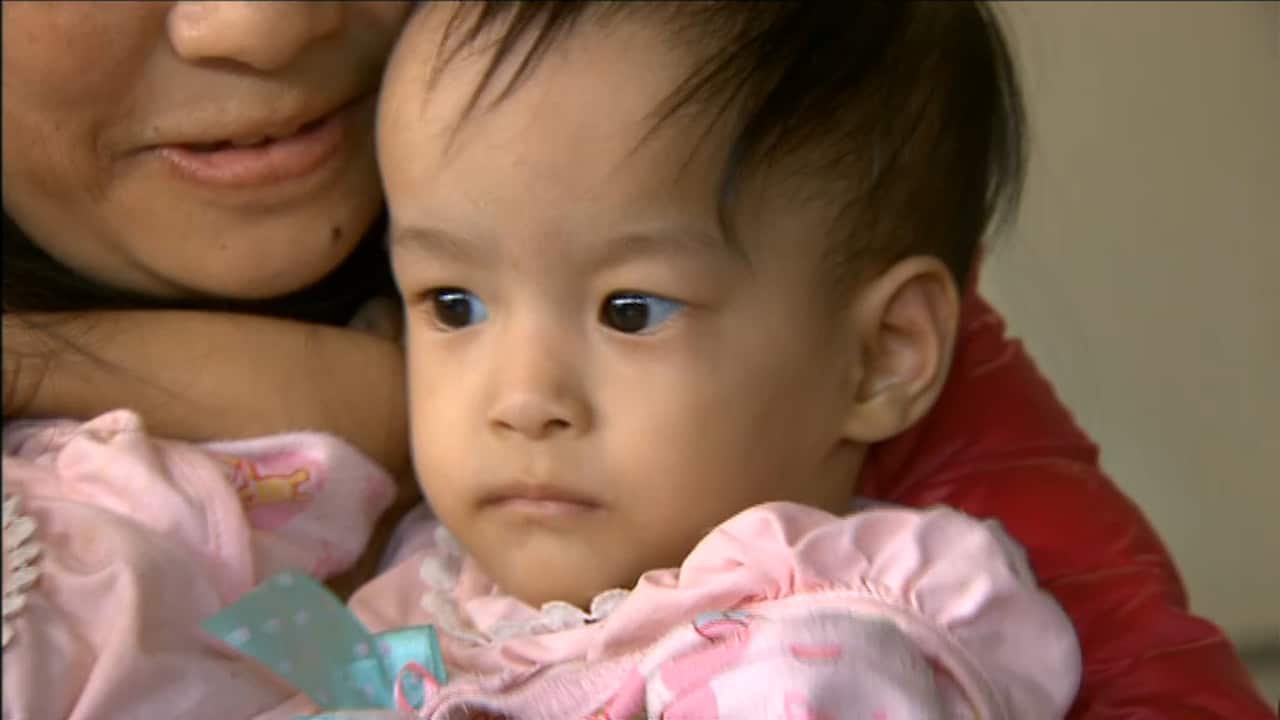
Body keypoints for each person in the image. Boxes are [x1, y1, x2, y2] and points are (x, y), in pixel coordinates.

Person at [0, 2, 1270, 719]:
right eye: (450, 303)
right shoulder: (454, 596)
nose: (523, 399)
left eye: (629, 313)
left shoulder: (811, 654)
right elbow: (305, 671)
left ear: (883, 354)